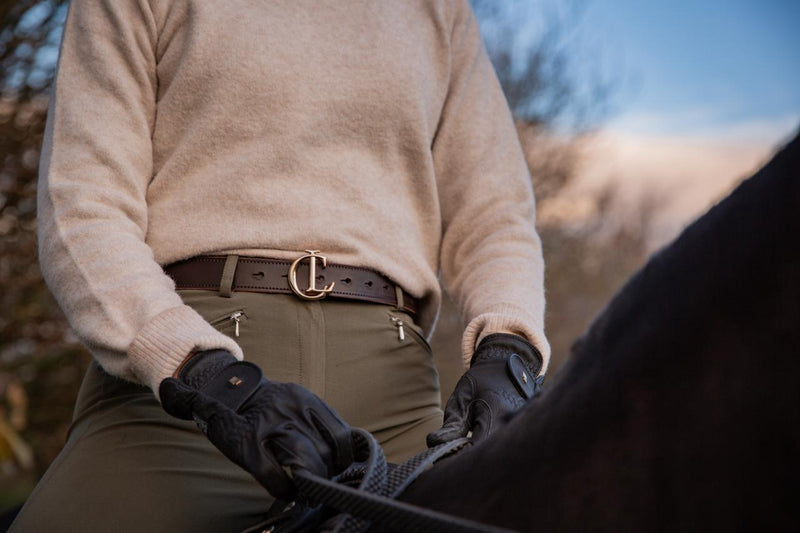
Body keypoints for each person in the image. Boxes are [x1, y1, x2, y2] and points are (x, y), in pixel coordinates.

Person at [11, 0, 550, 531]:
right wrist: (206, 377)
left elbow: (495, 214)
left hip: (398, 397)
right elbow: (83, 205)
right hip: (183, 389)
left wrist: (508, 350)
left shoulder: (440, 11)